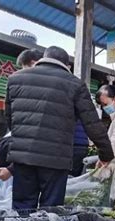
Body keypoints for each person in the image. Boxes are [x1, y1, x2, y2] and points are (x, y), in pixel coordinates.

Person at [5, 46, 114, 209]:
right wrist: (106, 153)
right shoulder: (75, 84)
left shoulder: (15, 78)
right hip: (56, 159)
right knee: (51, 209)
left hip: (23, 158)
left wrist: (22, 141)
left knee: (22, 207)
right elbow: (92, 123)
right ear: (66, 65)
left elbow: (10, 118)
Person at [16, 48, 89, 177]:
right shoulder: (70, 83)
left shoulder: (36, 86)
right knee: (60, 188)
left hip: (61, 146)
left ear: (34, 63)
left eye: (24, 67)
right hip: (69, 146)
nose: (23, 72)